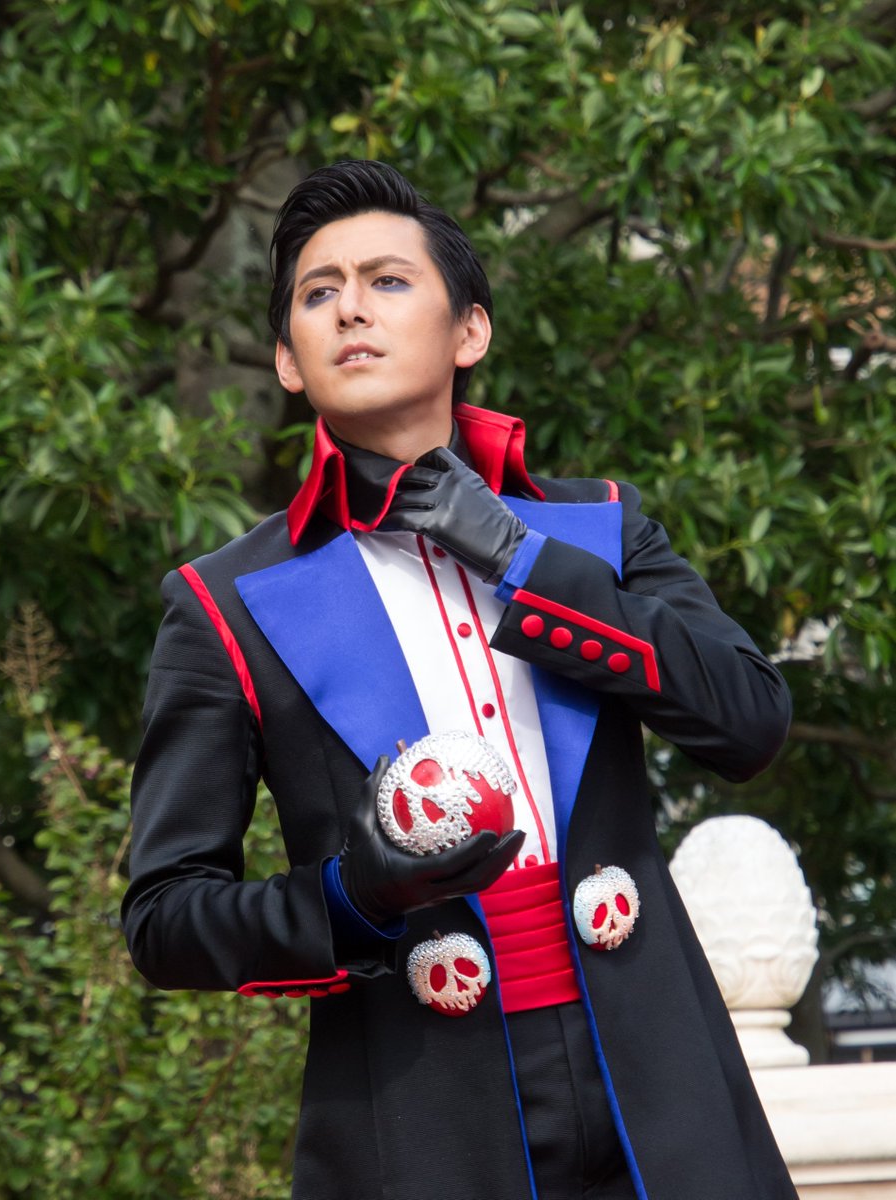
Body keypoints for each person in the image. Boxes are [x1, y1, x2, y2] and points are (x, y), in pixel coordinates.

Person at [123, 160, 798, 1200]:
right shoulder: (222, 604)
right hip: (419, 1123)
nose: (350, 307)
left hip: (663, 1092)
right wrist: (353, 895)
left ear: (468, 331)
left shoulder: (599, 527)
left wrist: (519, 557)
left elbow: (749, 722)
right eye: (317, 292)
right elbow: (165, 919)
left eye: (388, 280)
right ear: (288, 361)